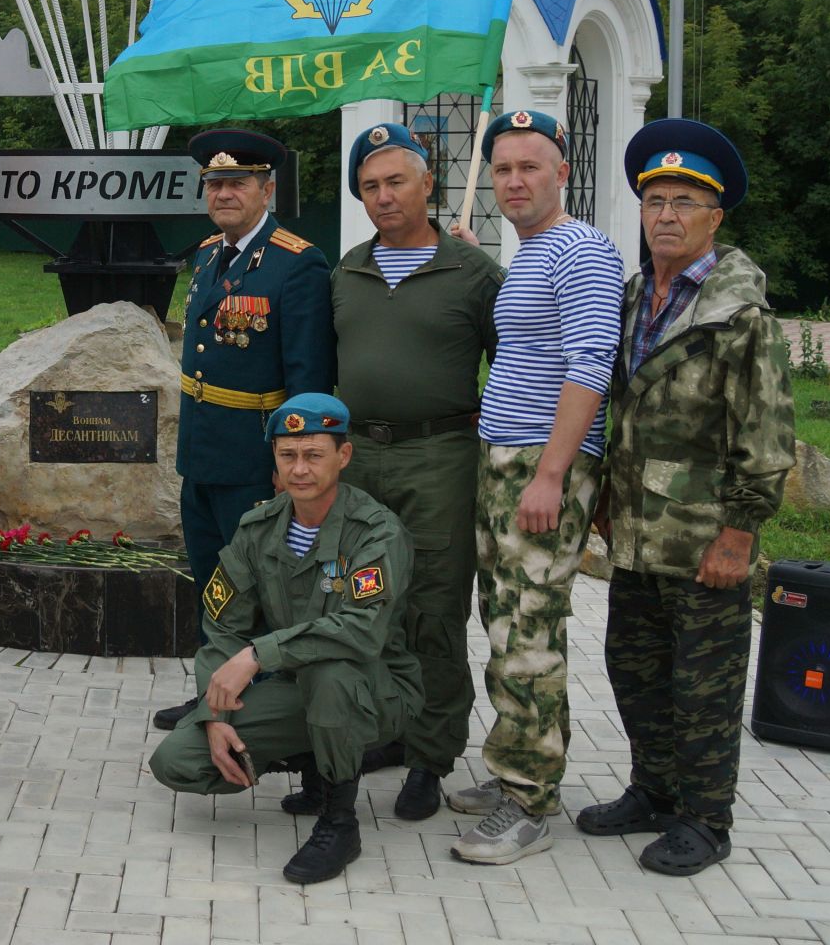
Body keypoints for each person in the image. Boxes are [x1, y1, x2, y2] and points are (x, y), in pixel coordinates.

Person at [577, 120, 794, 876]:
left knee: (702, 681)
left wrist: (740, 535)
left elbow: (766, 437)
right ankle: (653, 790)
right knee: (633, 668)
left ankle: (706, 820)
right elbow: (619, 406)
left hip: (703, 541)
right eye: (655, 200)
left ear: (715, 216)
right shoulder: (637, 294)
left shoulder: (740, 316)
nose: (665, 215)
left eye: (684, 202)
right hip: (637, 532)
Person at [148, 394, 420, 885]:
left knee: (330, 672)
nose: (300, 469)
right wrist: (215, 715)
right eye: (287, 455)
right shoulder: (259, 529)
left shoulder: (375, 532)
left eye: (314, 455)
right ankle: (313, 761)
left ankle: (339, 820)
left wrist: (258, 655)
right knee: (177, 762)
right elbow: (223, 627)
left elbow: (360, 631)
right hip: (298, 689)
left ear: (343, 456)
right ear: (273, 460)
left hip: (375, 690)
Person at [446, 109, 620, 865]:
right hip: (507, 457)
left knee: (530, 636)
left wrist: (552, 474)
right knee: (506, 622)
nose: (514, 180)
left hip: (543, 465)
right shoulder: (535, 252)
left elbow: (590, 364)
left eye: (530, 167)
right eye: (503, 169)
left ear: (563, 172)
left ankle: (528, 800)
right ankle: (511, 766)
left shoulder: (579, 249)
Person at [325, 122, 502, 823]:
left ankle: (432, 755)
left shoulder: (475, 274)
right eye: (370, 187)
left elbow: (515, 367)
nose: (383, 196)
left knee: (433, 606)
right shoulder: (349, 271)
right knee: (367, 599)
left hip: (439, 458)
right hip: (359, 458)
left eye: (396, 181)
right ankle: (390, 730)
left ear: (428, 184)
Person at [154, 129, 335, 732]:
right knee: (212, 581)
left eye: (236, 183)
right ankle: (213, 691)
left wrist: (296, 470)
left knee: (265, 589)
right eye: (215, 183)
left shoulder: (296, 262)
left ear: (267, 188)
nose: (223, 193)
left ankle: (271, 708)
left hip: (255, 461)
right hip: (201, 454)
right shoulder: (208, 255)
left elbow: (309, 382)